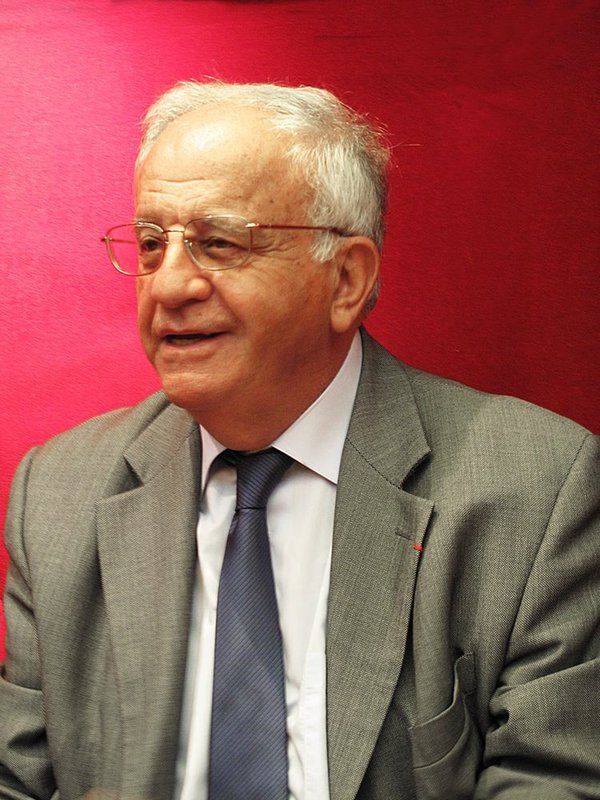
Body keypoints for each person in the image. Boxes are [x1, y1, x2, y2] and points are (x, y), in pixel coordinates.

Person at [1, 80, 599, 800]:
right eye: (153, 244)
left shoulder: (537, 489)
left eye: (219, 244)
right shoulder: (58, 493)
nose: (168, 286)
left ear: (346, 279)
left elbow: (555, 780)